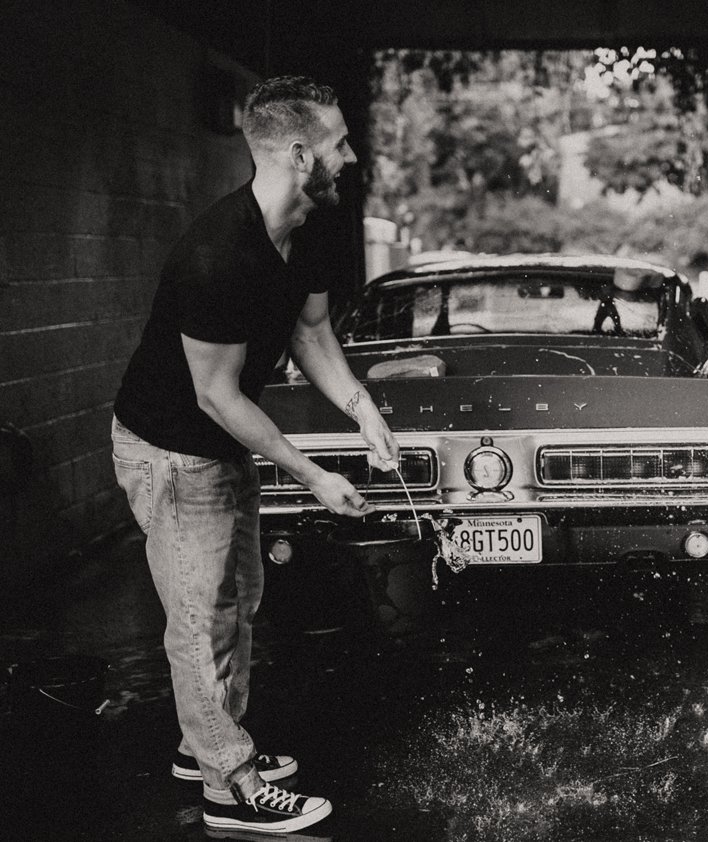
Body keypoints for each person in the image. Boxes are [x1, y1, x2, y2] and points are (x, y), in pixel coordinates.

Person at [111, 76, 399, 834]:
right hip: (172, 451)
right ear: (300, 154)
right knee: (199, 621)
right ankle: (229, 785)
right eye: (340, 143)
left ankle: (207, 746)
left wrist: (363, 411)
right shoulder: (216, 255)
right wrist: (313, 474)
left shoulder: (311, 227)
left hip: (221, 443)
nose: (352, 156)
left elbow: (311, 333)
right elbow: (217, 397)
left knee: (241, 600)